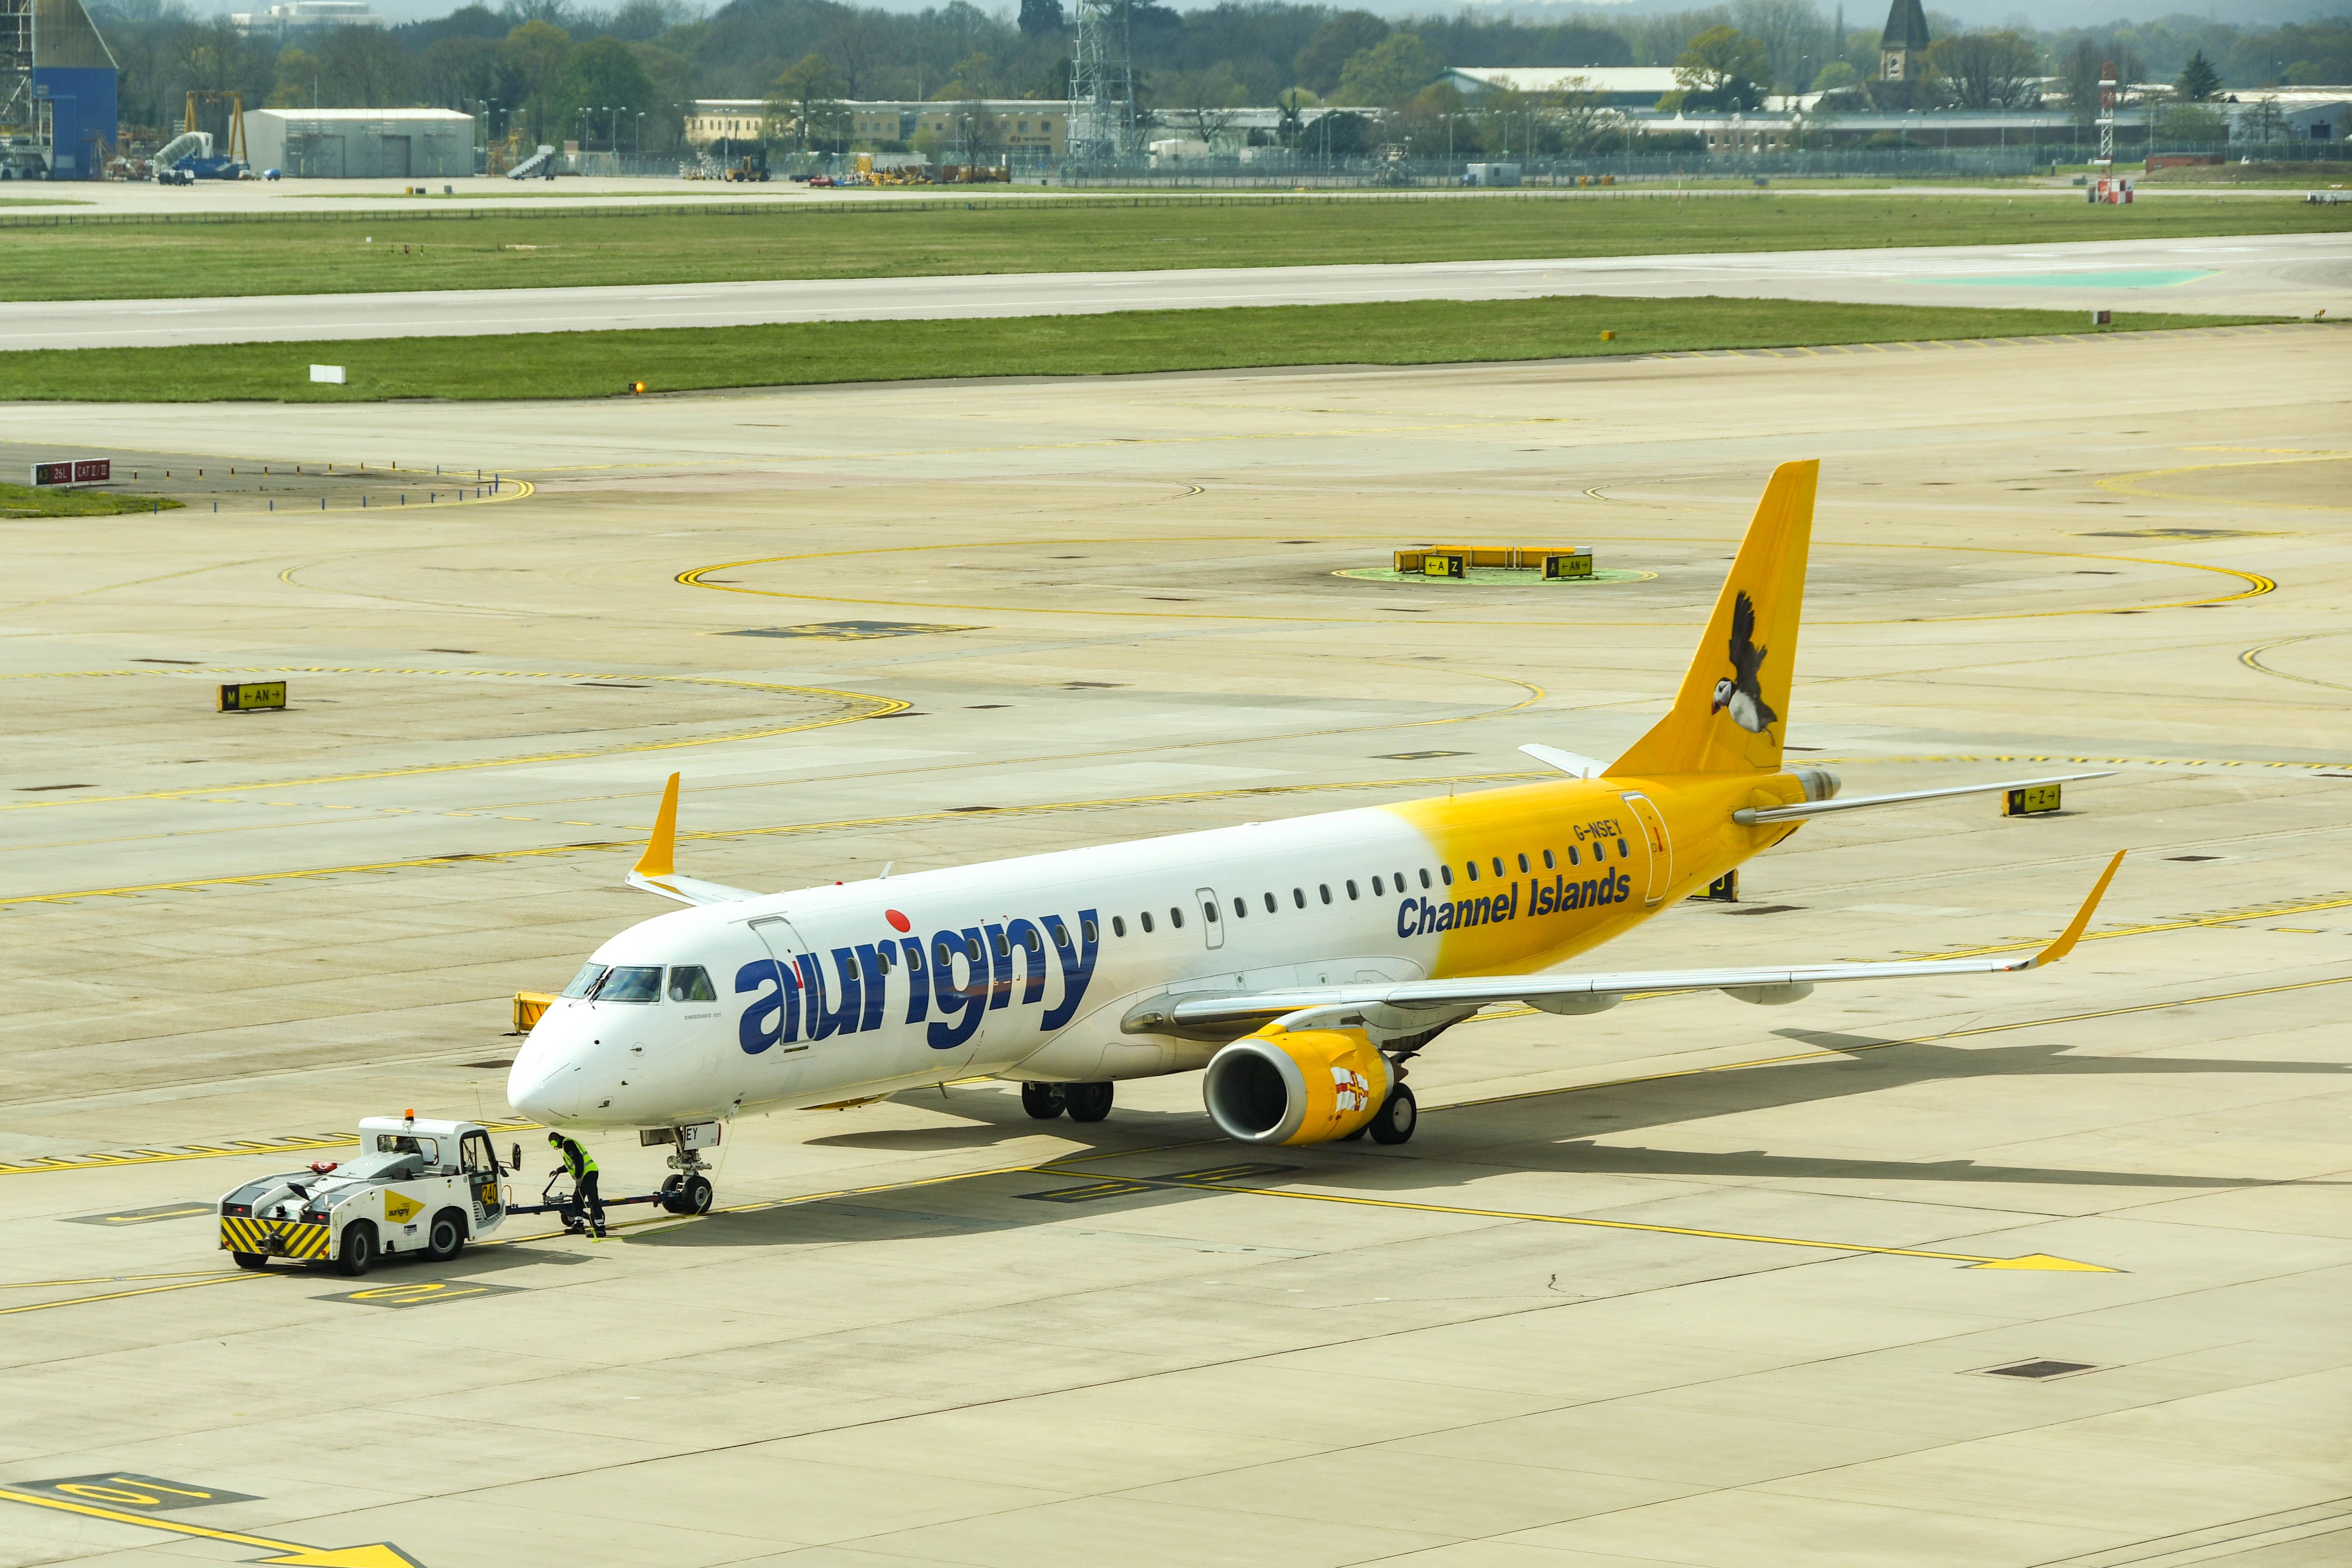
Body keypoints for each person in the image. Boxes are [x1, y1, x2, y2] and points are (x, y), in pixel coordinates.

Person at [547, 1130, 604, 1238]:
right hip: (585, 1174)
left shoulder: (568, 1144)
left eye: (554, 1145)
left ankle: (600, 1228)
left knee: (593, 1199)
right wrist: (558, 1170)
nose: (556, 1148)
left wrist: (578, 1177)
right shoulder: (567, 1145)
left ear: (555, 1141)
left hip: (588, 1173)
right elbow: (571, 1164)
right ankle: (579, 1225)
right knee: (577, 1198)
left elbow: (579, 1160)